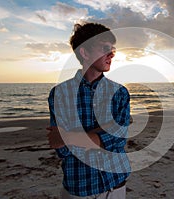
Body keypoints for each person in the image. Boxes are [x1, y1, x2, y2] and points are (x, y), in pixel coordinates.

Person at [47, 22, 131, 199]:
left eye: (113, 49)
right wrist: (103, 131)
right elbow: (61, 150)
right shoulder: (60, 94)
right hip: (79, 187)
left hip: (115, 184)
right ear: (85, 53)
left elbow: (118, 139)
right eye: (105, 48)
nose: (112, 54)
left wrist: (68, 136)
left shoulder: (120, 93)